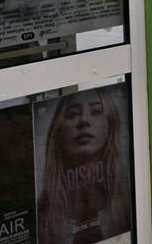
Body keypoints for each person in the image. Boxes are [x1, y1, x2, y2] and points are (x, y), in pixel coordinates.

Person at [37, 88, 130, 244]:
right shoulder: (41, 219)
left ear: (110, 125)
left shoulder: (130, 202)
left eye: (96, 111)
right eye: (73, 114)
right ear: (58, 133)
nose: (84, 121)